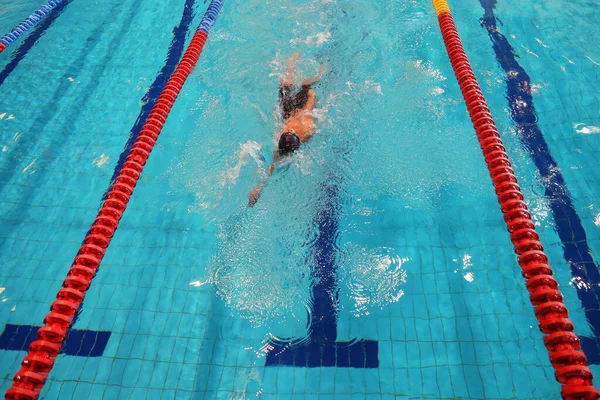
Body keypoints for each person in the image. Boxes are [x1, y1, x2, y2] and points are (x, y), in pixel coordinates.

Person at [248, 53, 326, 207]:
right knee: (298, 85)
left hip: (296, 112)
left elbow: (272, 166)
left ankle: (303, 61)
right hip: (295, 112)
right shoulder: (306, 128)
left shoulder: (306, 126)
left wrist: (308, 91)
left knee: (291, 85)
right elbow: (272, 166)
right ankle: (302, 61)